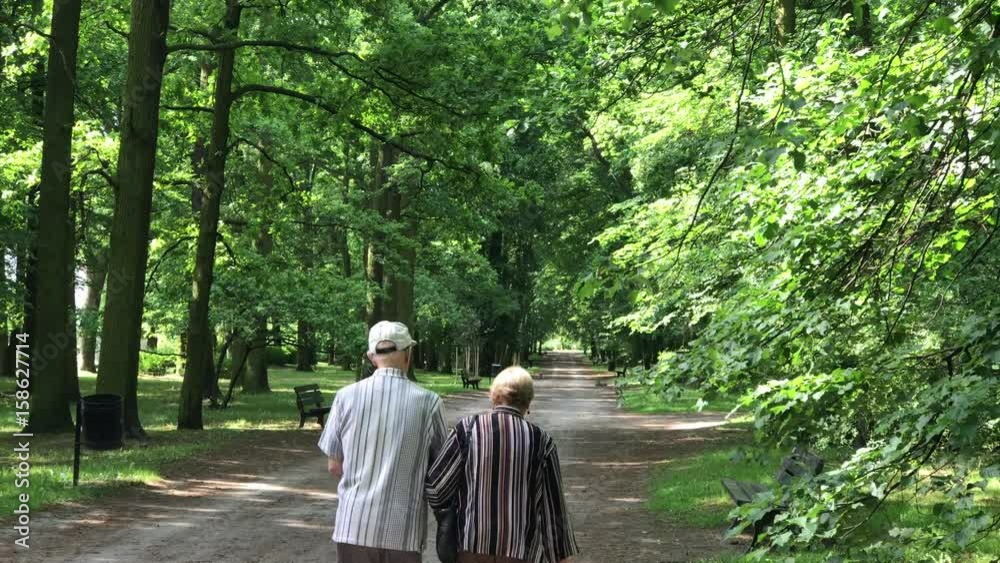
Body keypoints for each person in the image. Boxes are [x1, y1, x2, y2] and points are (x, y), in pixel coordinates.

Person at [318, 321, 447, 563]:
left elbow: (334, 465)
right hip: (403, 531)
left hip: (352, 526)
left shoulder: (345, 397)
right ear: (408, 353)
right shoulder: (429, 403)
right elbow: (443, 469)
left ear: (370, 357)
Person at [426, 366, 578, 563]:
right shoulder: (542, 441)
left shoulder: (467, 430)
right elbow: (553, 508)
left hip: (471, 551)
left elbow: (436, 490)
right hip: (520, 553)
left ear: (494, 396)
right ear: (528, 401)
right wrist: (560, 556)